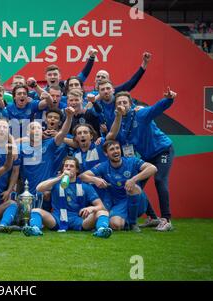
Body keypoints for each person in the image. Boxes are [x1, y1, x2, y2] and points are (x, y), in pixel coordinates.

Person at [107, 88, 177, 231]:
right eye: (119, 103)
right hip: (147, 156)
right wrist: (117, 118)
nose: (122, 105)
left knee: (159, 180)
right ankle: (152, 217)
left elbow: (156, 108)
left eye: (125, 102)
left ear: (130, 104)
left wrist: (169, 99)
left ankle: (166, 219)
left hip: (163, 150)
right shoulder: (120, 121)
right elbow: (111, 136)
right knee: (135, 184)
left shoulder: (141, 114)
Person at [23, 156, 112, 238]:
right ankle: (35, 229)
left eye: (72, 166)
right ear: (62, 169)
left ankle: (102, 230)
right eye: (66, 166)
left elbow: (101, 207)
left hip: (79, 220)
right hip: (57, 219)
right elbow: (39, 188)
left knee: (103, 213)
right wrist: (60, 178)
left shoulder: (85, 186)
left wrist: (91, 208)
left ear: (77, 170)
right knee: (36, 210)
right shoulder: (55, 183)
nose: (68, 168)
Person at [79, 140, 157, 232]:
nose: (116, 151)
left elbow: (153, 168)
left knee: (133, 188)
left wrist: (133, 179)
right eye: (112, 149)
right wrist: (95, 179)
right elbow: (82, 176)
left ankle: (133, 224)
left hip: (137, 201)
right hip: (119, 203)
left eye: (117, 148)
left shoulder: (131, 161)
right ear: (106, 153)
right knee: (116, 224)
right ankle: (123, 223)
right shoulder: (103, 166)